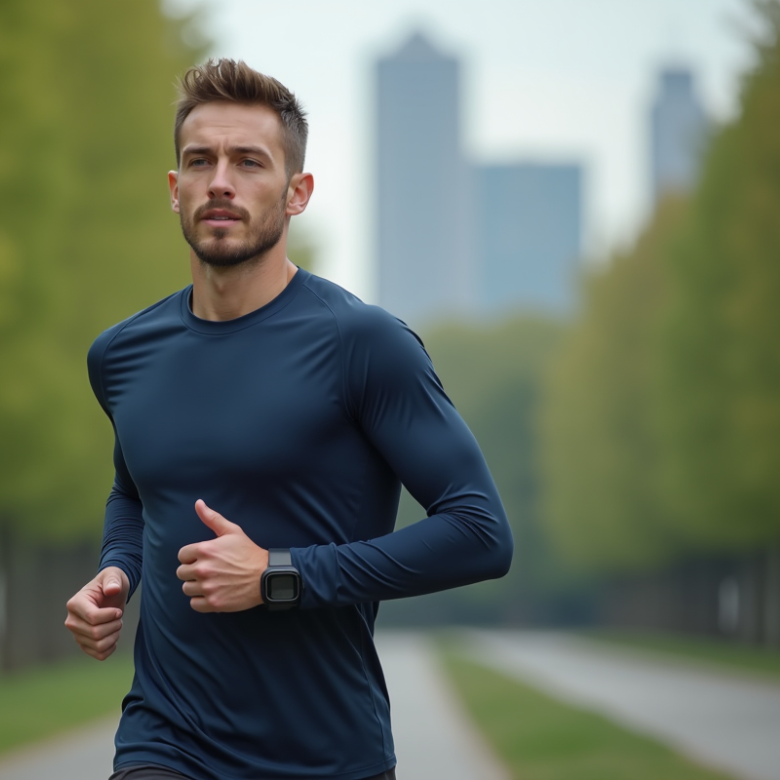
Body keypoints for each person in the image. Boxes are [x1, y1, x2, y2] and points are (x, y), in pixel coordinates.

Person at [65, 59, 513, 780]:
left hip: (326, 755)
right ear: (173, 190)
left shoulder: (364, 346)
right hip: (165, 743)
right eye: (199, 161)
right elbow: (135, 488)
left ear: (297, 192)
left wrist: (278, 575)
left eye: (249, 162)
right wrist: (115, 573)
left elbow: (481, 533)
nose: (220, 181)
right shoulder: (121, 355)